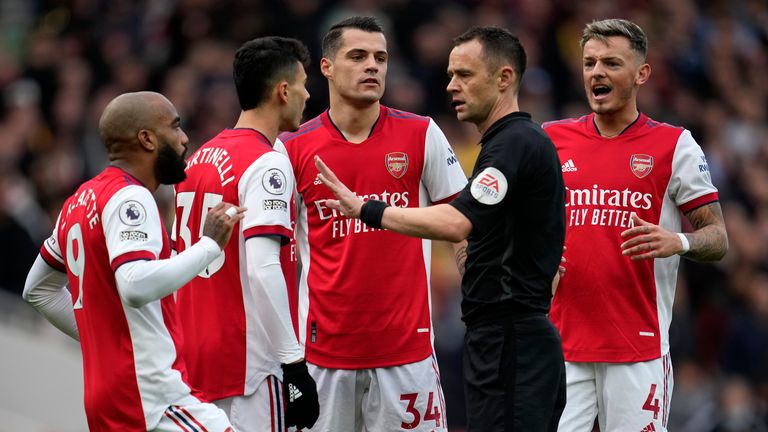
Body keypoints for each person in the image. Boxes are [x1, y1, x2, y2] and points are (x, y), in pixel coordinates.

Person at [314, 26, 566, 431]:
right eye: (451, 75)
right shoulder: (503, 145)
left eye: (464, 75)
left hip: (509, 339)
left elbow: (457, 221)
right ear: (326, 67)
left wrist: (367, 209)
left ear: (503, 78)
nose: (452, 86)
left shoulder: (512, 143)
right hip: (493, 335)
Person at [277, 16, 467, 431]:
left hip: (408, 354)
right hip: (323, 358)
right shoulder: (291, 149)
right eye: (358, 56)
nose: (373, 66)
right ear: (326, 67)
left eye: (381, 58)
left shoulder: (422, 133)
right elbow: (274, 253)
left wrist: (475, 290)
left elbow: (464, 221)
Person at [542, 19, 729, 432]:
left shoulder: (674, 145)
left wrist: (677, 240)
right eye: (590, 62)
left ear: (642, 73)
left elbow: (718, 238)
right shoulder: (550, 139)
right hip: (560, 347)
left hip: (637, 350)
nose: (597, 72)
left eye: (611, 62)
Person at [22, 91, 241, 431]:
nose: (184, 139)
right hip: (148, 393)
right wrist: (209, 246)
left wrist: (106, 338)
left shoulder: (78, 202)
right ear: (147, 139)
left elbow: (37, 290)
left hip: (105, 396)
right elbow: (135, 284)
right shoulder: (131, 197)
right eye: (175, 126)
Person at [171, 37, 319, 431]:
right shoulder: (268, 163)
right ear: (283, 91)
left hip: (194, 361)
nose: (308, 94)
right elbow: (262, 267)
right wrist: (294, 364)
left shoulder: (198, 160)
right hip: (248, 367)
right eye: (304, 83)